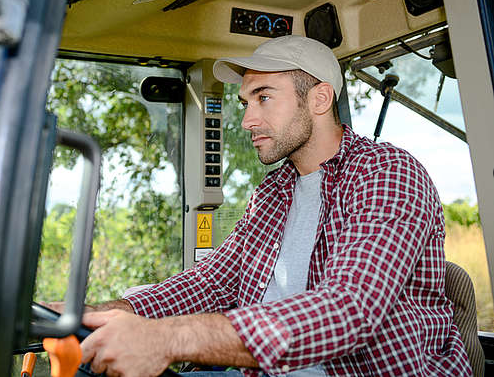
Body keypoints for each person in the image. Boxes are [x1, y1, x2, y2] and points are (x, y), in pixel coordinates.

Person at [61, 35, 472, 376]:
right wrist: (101, 312)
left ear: (319, 99)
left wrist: (170, 339)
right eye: (246, 103)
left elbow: (350, 310)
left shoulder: (387, 173)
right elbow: (213, 282)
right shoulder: (274, 191)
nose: (246, 121)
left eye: (263, 97)